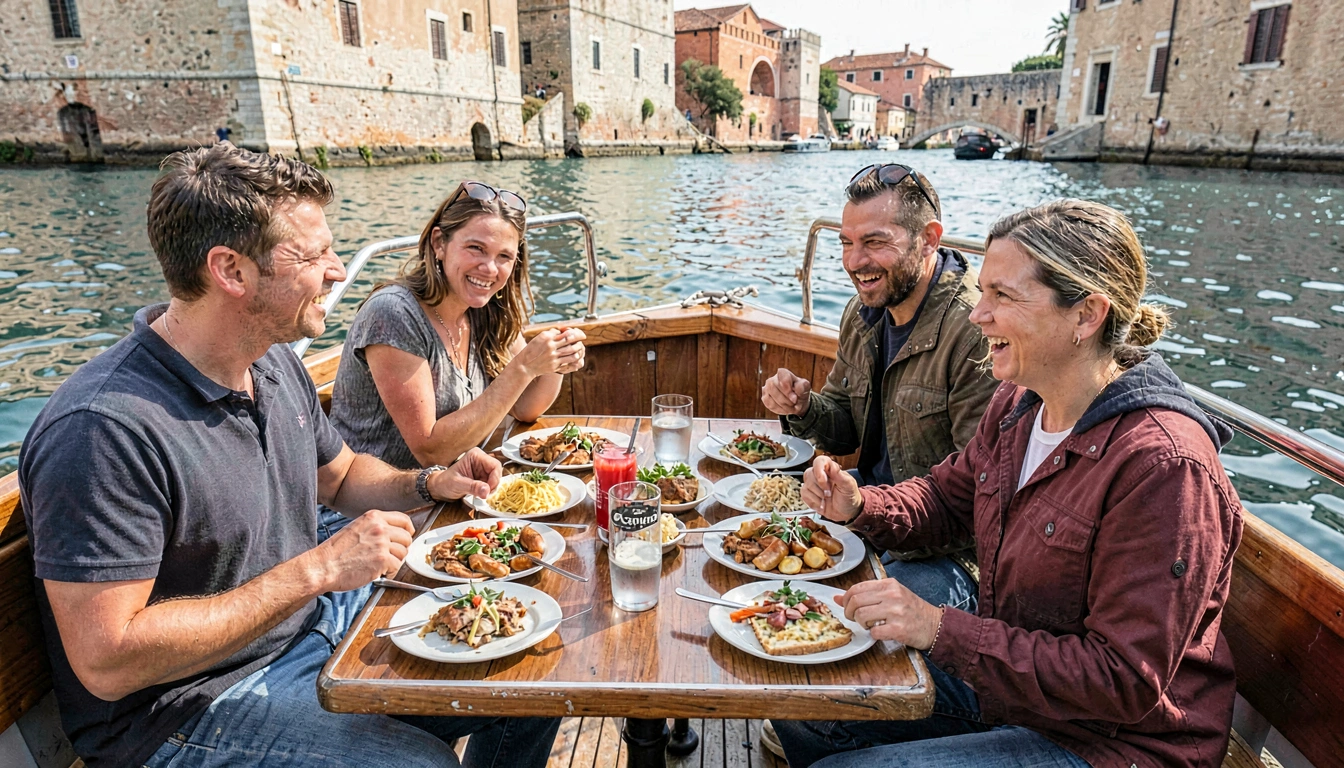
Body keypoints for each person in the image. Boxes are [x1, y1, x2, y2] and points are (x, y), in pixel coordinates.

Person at [18, 144, 561, 768]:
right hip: (184, 711)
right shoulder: (102, 429)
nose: (336, 271)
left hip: (310, 630)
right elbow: (109, 662)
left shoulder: (270, 361)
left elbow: (344, 477)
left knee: (528, 677)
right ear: (232, 271)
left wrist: (433, 481)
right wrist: (320, 569)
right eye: (314, 255)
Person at [776, 199, 1243, 768]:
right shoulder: (1021, 403)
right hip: (1020, 691)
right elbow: (948, 498)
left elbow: (1123, 680)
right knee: (800, 693)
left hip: (1113, 742)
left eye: (1004, 296)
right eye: (983, 290)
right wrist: (860, 503)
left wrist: (936, 627)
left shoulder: (1165, 467)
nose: (978, 315)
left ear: (1087, 314)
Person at [328, 182, 585, 470]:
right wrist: (523, 367)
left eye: (504, 256)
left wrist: (556, 360)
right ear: (439, 243)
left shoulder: (484, 309)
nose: (489, 268)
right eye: (476, 248)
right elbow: (431, 451)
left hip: (451, 492)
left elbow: (525, 408)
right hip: (374, 507)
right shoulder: (393, 313)